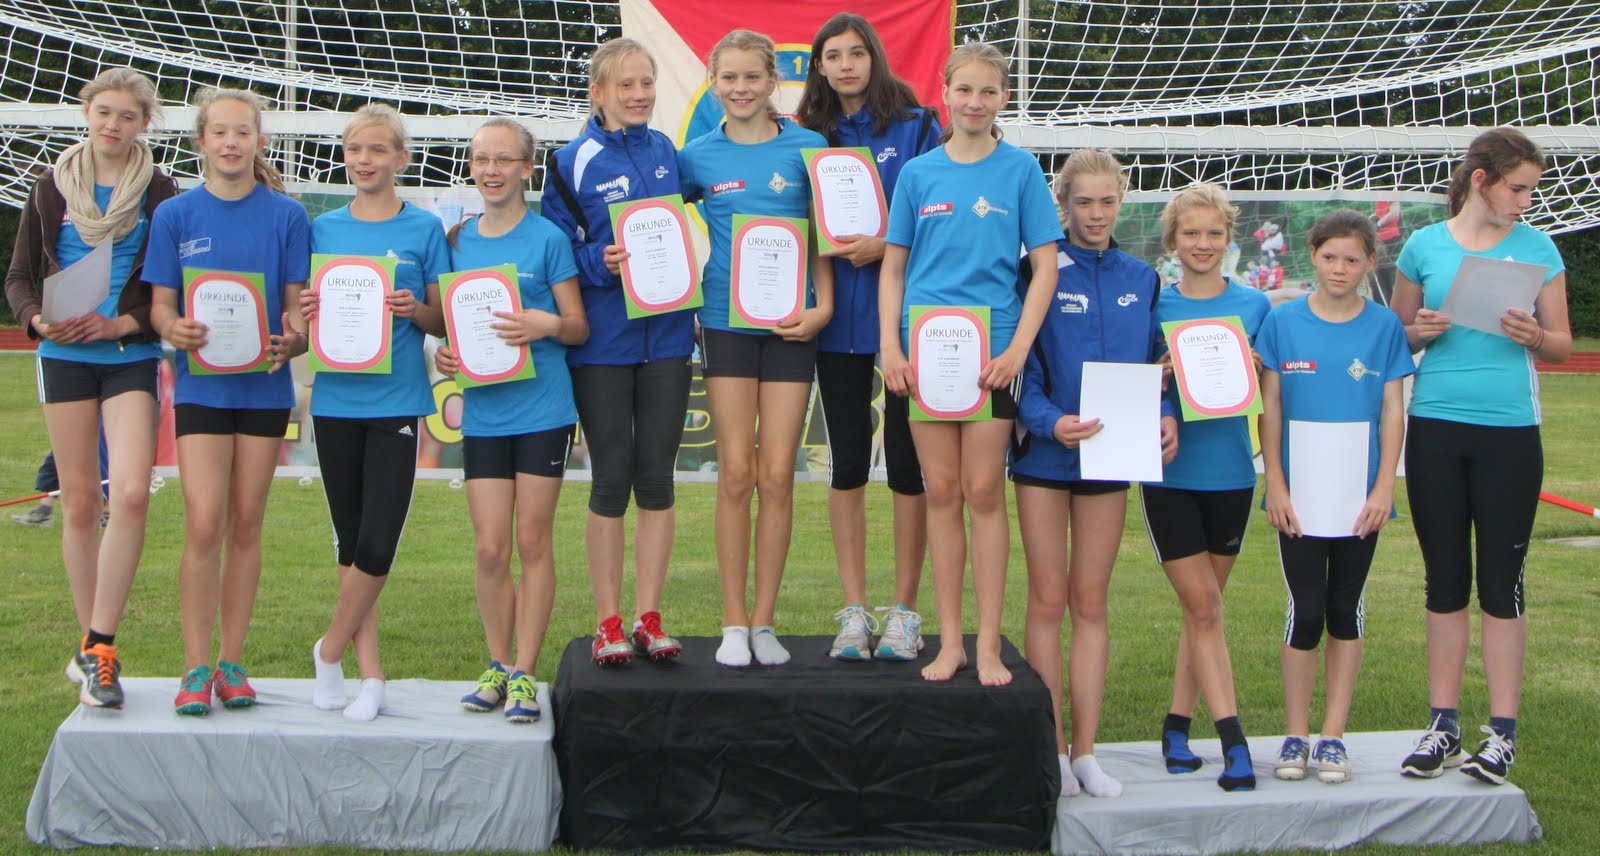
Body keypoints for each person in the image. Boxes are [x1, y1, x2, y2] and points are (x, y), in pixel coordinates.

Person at [1391, 127, 1571, 786]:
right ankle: (1442, 726)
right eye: (1518, 189)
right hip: (1435, 427)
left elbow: (1562, 344)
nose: (1526, 201)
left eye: (1530, 191)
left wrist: (1535, 335)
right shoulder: (1423, 246)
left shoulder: (1538, 248)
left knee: (1501, 582)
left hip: (1509, 432)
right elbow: (1395, 335)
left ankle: (1502, 734)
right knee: (1444, 580)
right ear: (1480, 180)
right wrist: (1419, 331)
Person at [879, 42, 1061, 686]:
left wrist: (1017, 350)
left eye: (988, 91)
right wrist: (891, 347)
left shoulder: (1022, 171)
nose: (975, 102)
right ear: (945, 94)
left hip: (992, 352)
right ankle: (950, 641)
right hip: (925, 352)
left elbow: (1045, 268)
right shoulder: (918, 173)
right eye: (965, 90)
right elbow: (894, 269)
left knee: (984, 491)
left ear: (1004, 98)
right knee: (941, 491)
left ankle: (987, 645)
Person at [5, 67, 176, 708]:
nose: (113, 124)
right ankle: (94, 650)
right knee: (79, 503)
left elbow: (169, 283)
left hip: (129, 352)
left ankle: (100, 641)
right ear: (86, 114)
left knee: (128, 493)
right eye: (104, 112)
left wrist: (123, 322)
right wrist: (37, 320)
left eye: (127, 116)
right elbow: (19, 277)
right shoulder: (51, 185)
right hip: (64, 356)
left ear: (144, 123)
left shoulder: (160, 191)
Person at [1013, 149, 1175, 797]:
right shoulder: (1037, 270)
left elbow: (1158, 361)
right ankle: (1049, 750)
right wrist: (1049, 421)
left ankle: (1086, 753)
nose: (1097, 213)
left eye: (1108, 200)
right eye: (1084, 202)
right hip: (1045, 457)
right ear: (1063, 205)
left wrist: (1166, 414)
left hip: (1113, 456)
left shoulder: (1143, 277)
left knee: (1090, 601)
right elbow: (1019, 364)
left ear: (1122, 200)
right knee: (1048, 600)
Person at [146, 88, 310, 715]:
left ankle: (232, 663)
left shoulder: (287, 216)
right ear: (202, 141)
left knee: (246, 523)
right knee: (204, 523)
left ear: (259, 141)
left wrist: (295, 337)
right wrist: (173, 328)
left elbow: (295, 306)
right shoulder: (175, 215)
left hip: (263, 387)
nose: (232, 142)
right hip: (203, 388)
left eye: (243, 132)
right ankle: (194, 666)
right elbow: (161, 306)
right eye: (220, 132)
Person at [678, 29, 834, 668]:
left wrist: (823, 307)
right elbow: (657, 227)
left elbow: (825, 237)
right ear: (713, 83)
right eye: (729, 77)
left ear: (774, 81)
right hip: (724, 323)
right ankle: (733, 624)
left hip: (794, 327)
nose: (740, 88)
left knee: (777, 475)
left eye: (752, 77)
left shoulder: (810, 148)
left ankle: (765, 622)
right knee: (737, 473)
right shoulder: (696, 157)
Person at [542, 38, 693, 666]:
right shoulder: (569, 161)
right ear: (598, 92)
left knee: (657, 478)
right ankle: (607, 622)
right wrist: (596, 263)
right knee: (610, 480)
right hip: (603, 342)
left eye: (646, 82)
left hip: (669, 337)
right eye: (625, 84)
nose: (639, 94)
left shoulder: (669, 154)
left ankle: (648, 617)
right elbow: (554, 252)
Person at [795, 13, 941, 662]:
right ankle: (854, 612)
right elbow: (800, 225)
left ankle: (904, 612)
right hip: (837, 327)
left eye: (857, 53)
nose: (846, 64)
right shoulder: (807, 136)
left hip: (908, 327)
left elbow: (940, 213)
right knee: (848, 464)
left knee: (909, 467)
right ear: (819, 67)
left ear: (874, 57)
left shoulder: (917, 127)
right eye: (834, 55)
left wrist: (887, 245)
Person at [304, 104, 450, 722]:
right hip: (335, 399)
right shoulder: (323, 229)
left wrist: (415, 309)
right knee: (350, 537)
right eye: (354, 150)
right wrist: (304, 313)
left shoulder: (425, 228)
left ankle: (328, 649)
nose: (364, 160)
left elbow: (440, 320)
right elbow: (300, 314)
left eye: (377, 150)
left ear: (401, 158)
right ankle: (370, 675)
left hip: (396, 399)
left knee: (379, 540)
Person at [438, 118, 588, 721]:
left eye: (504, 159)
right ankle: (498, 665)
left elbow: (577, 326)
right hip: (484, 413)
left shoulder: (548, 238)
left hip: (542, 410)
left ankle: (525, 671)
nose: (491, 170)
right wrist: (446, 352)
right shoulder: (455, 241)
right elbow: (448, 324)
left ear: (528, 168)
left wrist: (546, 324)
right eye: (481, 159)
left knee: (531, 542)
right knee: (490, 548)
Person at [1256, 210, 1413, 783]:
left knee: (1345, 611)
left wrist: (1383, 486)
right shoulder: (1282, 322)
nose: (1339, 268)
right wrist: (1276, 484)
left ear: (1370, 263)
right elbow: (1271, 407)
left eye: (1352, 259)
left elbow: (1392, 411)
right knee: (1306, 612)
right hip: (1298, 497)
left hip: (1358, 499)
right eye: (1329, 257)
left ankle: (1332, 738)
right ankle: (1295, 735)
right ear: (1312, 256)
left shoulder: (1384, 327)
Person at [1143, 183, 1270, 791]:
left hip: (1232, 474)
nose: (1202, 243)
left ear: (1229, 239)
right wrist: (1158, 378)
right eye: (1190, 233)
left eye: (1214, 233)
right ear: (1172, 240)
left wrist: (1256, 367)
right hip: (1170, 475)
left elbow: (1273, 390)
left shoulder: (1256, 307)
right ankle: (1233, 743)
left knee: (1204, 614)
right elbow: (1133, 382)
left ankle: (1175, 726)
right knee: (1203, 608)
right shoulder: (1154, 306)